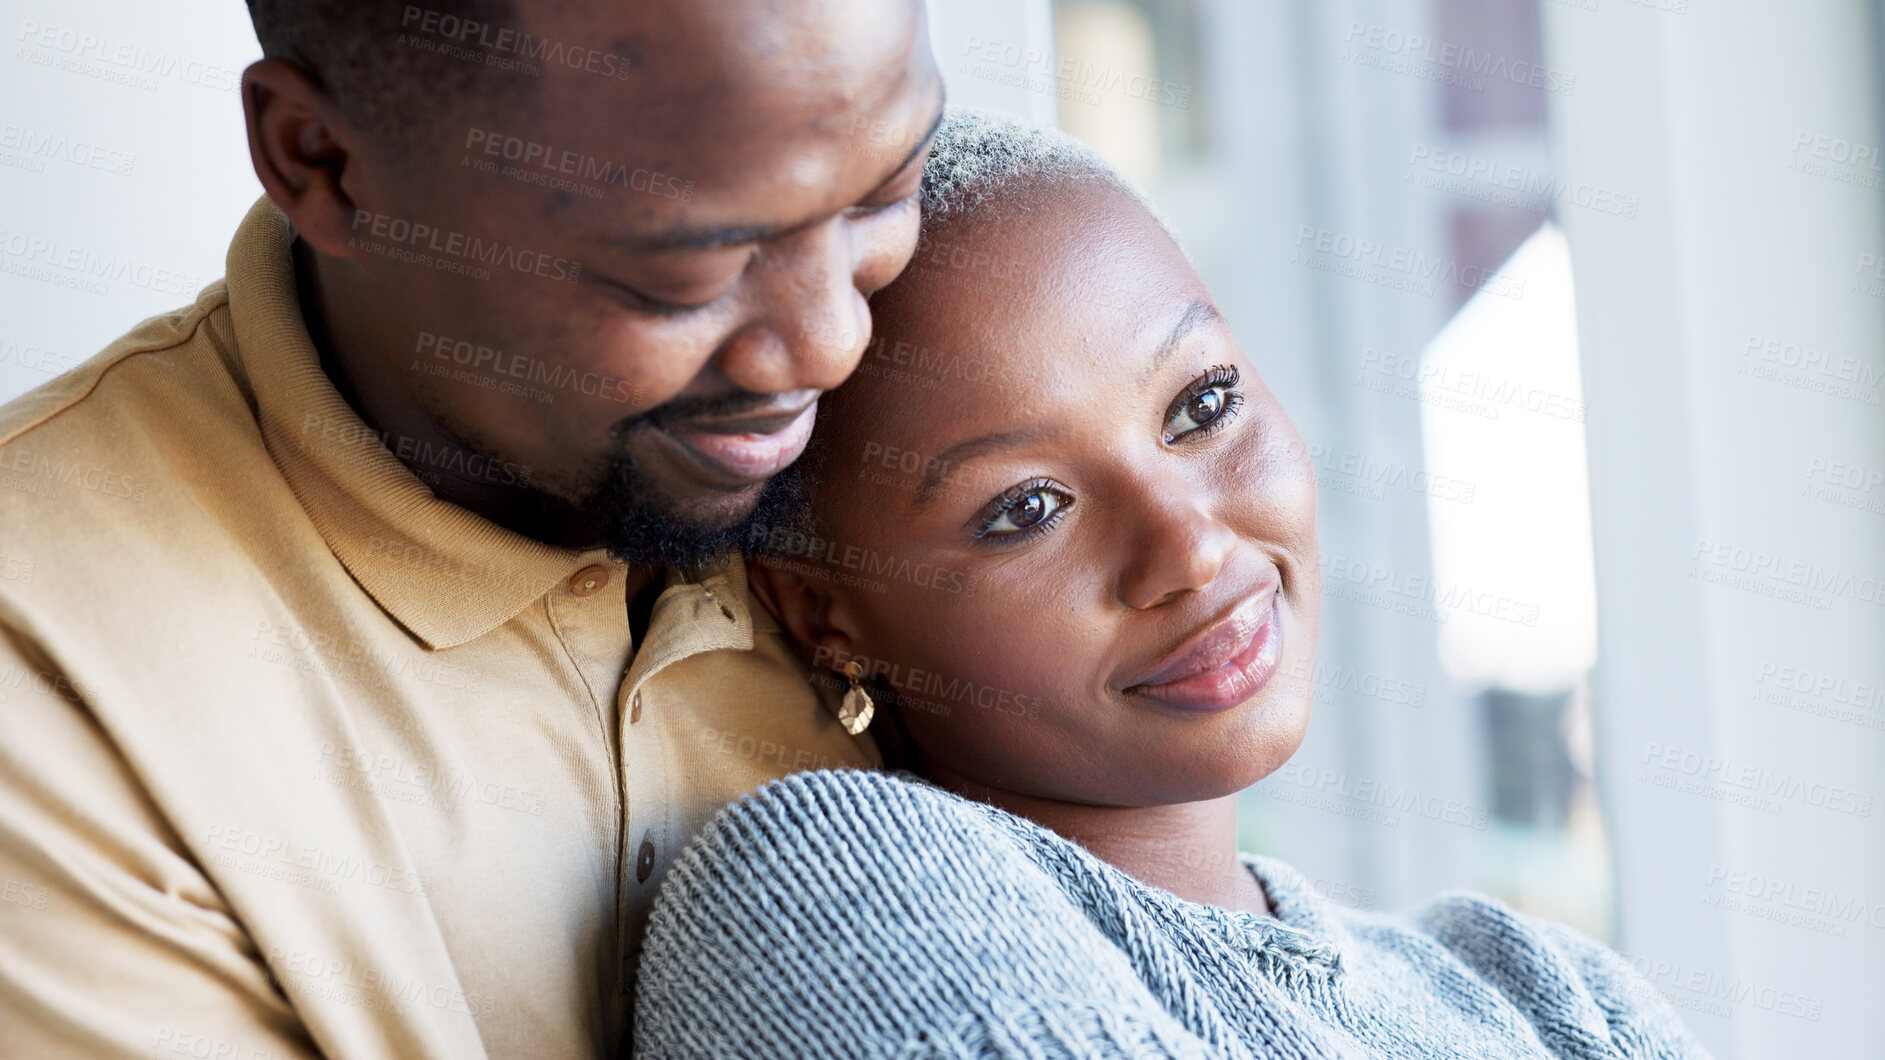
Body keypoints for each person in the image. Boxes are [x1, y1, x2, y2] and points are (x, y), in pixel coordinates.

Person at [630, 109, 1717, 1060]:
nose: (1189, 548)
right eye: (1026, 510)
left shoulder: (1547, 990)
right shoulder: (825, 897)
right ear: (823, 612)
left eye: (1201, 404)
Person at [0, 1, 940, 1056]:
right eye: (686, 266)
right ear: (324, 165)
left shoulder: (958, 384)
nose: (828, 344)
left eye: (887, 191)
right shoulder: (47, 681)